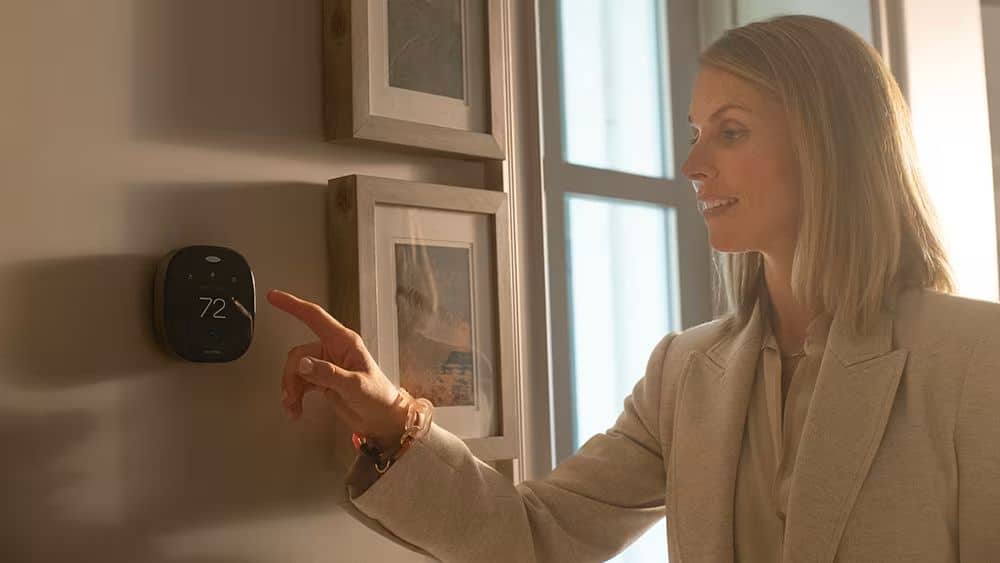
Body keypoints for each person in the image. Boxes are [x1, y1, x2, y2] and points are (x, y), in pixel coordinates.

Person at [268, 15, 1000, 562]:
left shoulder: (975, 358)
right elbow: (537, 535)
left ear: (828, 141)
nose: (693, 165)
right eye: (694, 132)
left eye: (731, 131)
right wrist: (395, 417)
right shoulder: (684, 372)